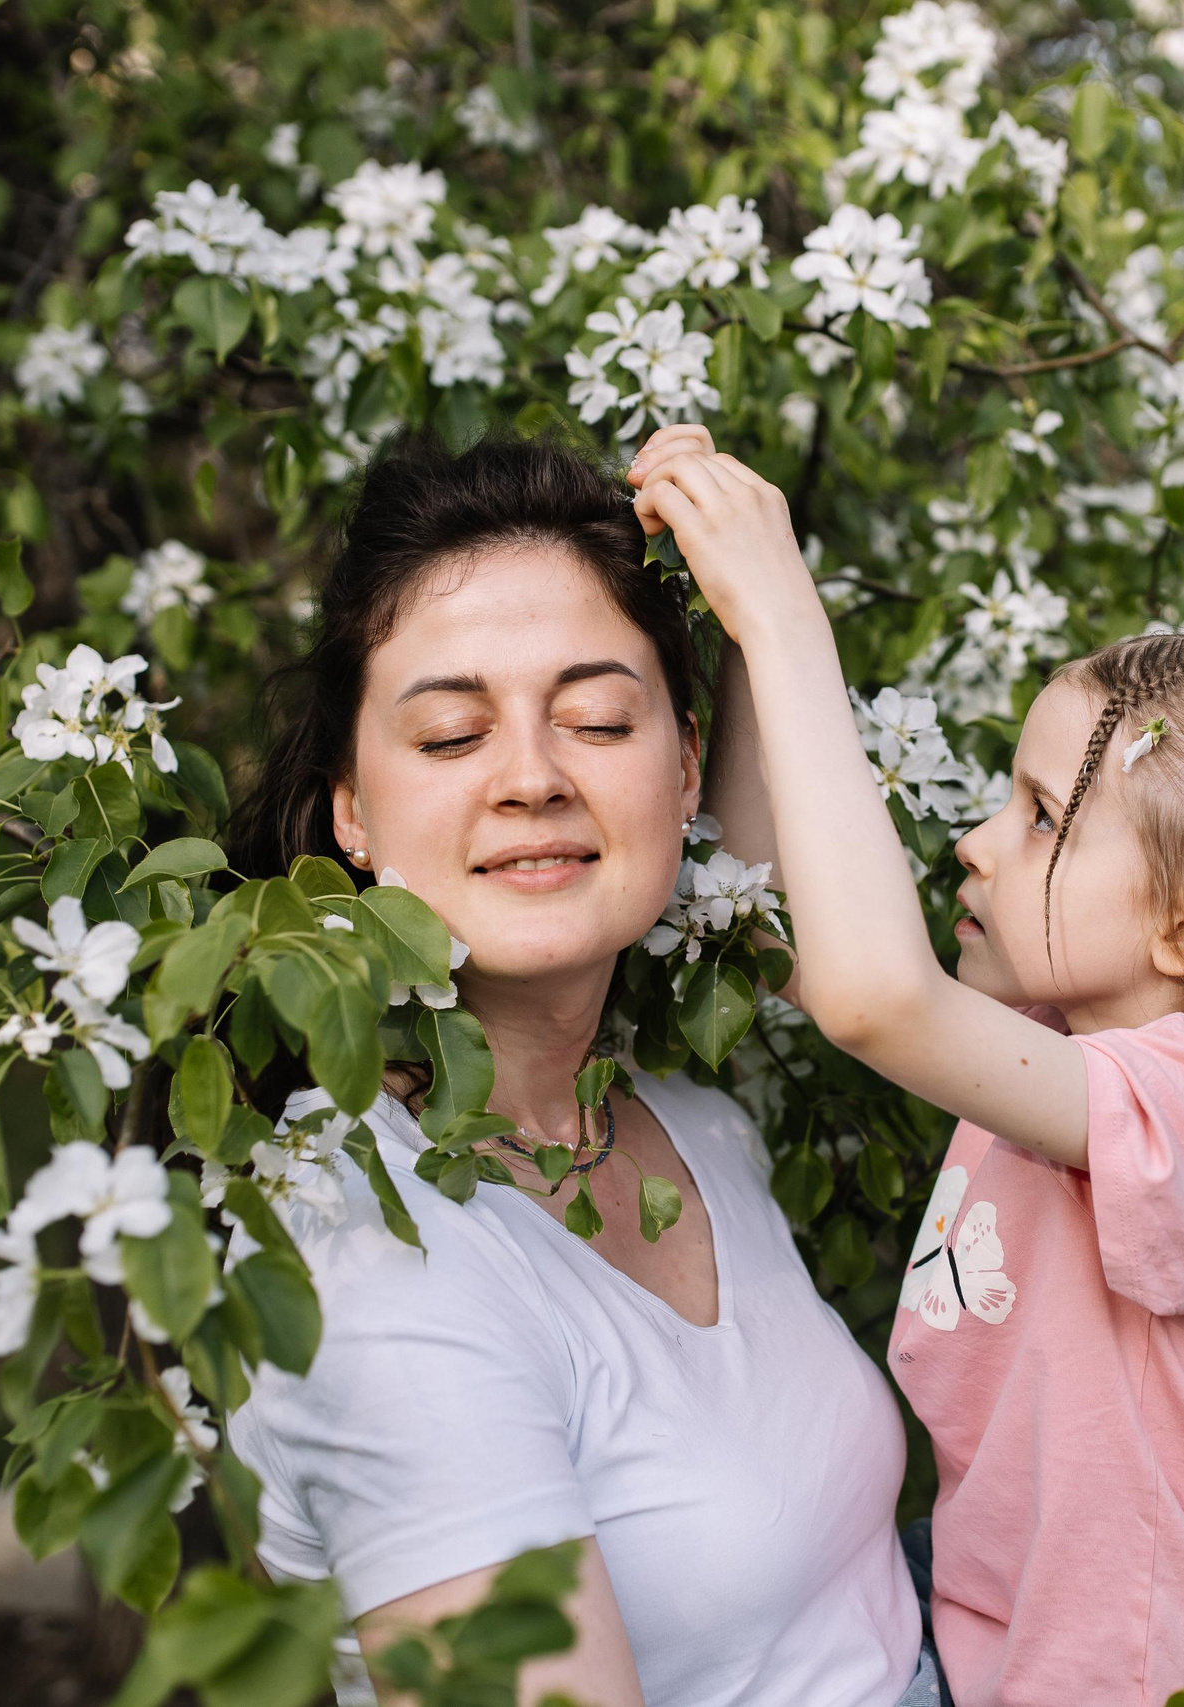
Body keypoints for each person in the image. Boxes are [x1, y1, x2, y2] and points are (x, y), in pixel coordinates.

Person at [631, 425, 1184, 1706]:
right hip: (972, 1643)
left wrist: (790, 613)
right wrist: (736, 624)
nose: (974, 841)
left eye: (1040, 815)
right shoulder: (1061, 1048)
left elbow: (870, 998)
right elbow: (766, 914)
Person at [224, 430, 928, 1707]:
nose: (533, 779)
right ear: (352, 813)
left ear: (685, 765)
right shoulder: (363, 1256)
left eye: (598, 719)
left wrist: (766, 614)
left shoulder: (685, 1119)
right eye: (451, 736)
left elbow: (808, 927)